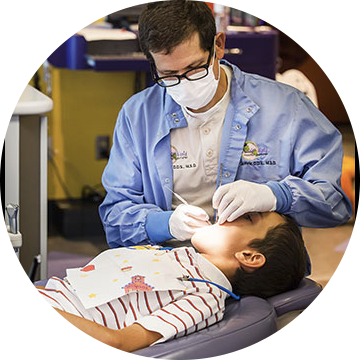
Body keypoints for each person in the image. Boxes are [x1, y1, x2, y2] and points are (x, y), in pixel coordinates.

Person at [99, 0, 351, 249]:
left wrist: (276, 196)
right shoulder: (138, 115)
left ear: (218, 46)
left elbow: (335, 203)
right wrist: (164, 224)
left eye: (194, 69)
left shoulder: (286, 108)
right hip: (169, 262)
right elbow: (115, 217)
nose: (184, 83)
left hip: (256, 266)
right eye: (168, 75)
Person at [5, 212, 307, 360]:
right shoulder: (176, 255)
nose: (226, 214)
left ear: (250, 256)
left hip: (35, 336)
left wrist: (20, 303)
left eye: (247, 218)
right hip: (26, 309)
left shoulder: (204, 298)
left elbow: (113, 345)